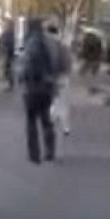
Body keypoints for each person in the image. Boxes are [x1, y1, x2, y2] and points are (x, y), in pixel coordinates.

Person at [18, 17, 67, 164]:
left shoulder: (30, 43)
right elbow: (60, 62)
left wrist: (22, 78)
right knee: (46, 119)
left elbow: (26, 66)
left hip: (33, 86)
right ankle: (49, 150)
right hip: (47, 86)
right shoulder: (51, 42)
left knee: (31, 120)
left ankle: (34, 154)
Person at [45, 19, 73, 136]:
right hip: (63, 77)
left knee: (52, 100)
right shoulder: (63, 45)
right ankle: (65, 127)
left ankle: (50, 120)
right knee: (62, 101)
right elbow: (68, 62)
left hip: (50, 76)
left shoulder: (46, 45)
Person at [0, 19, 16, 91]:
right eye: (4, 25)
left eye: (6, 25)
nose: (5, 26)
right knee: (6, 70)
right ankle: (10, 84)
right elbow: (1, 44)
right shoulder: (4, 34)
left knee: (9, 70)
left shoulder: (13, 34)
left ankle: (11, 84)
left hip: (11, 54)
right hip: (6, 54)